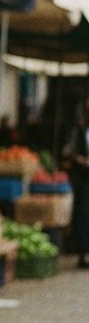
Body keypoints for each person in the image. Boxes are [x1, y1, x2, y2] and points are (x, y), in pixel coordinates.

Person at [65, 97, 89, 267]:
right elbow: (70, 151)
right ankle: (82, 253)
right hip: (83, 179)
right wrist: (82, 161)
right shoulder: (78, 130)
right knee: (83, 215)